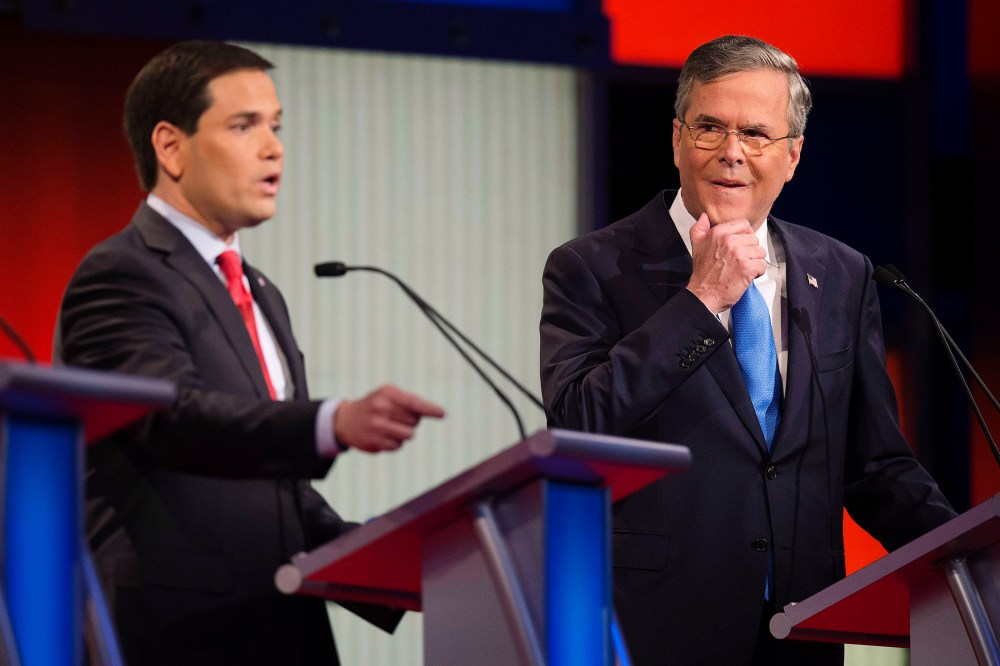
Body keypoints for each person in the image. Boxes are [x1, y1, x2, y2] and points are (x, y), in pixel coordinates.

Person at [539, 35, 956, 665]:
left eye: (756, 135)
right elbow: (577, 420)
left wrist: (966, 561)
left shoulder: (841, 273)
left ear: (792, 156)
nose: (731, 153)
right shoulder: (591, 267)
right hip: (654, 628)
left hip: (804, 624)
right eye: (709, 127)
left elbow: (875, 467)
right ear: (677, 137)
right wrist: (700, 300)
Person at [57, 41, 445, 665]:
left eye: (277, 126)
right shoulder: (121, 273)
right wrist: (331, 422)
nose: (274, 148)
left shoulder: (261, 292)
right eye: (244, 126)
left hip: (281, 631)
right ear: (170, 146)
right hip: (178, 634)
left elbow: (275, 489)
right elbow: (172, 420)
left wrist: (413, 565)